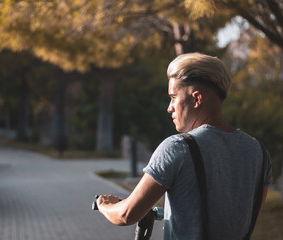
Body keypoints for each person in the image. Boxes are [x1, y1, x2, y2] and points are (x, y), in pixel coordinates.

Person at [96, 52, 272, 239]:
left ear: (197, 99)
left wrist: (105, 205)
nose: (169, 107)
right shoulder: (259, 152)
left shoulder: (177, 148)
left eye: (173, 97)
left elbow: (126, 215)